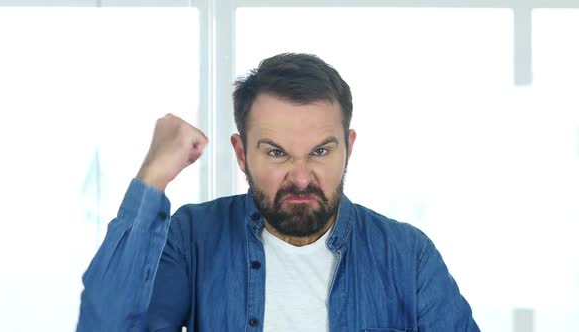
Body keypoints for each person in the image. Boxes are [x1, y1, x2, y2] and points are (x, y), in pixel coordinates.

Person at [76, 53, 480, 332]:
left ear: (349, 147)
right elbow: (106, 323)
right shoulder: (194, 236)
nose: (301, 177)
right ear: (241, 152)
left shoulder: (408, 256)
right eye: (276, 152)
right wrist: (152, 177)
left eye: (320, 151)